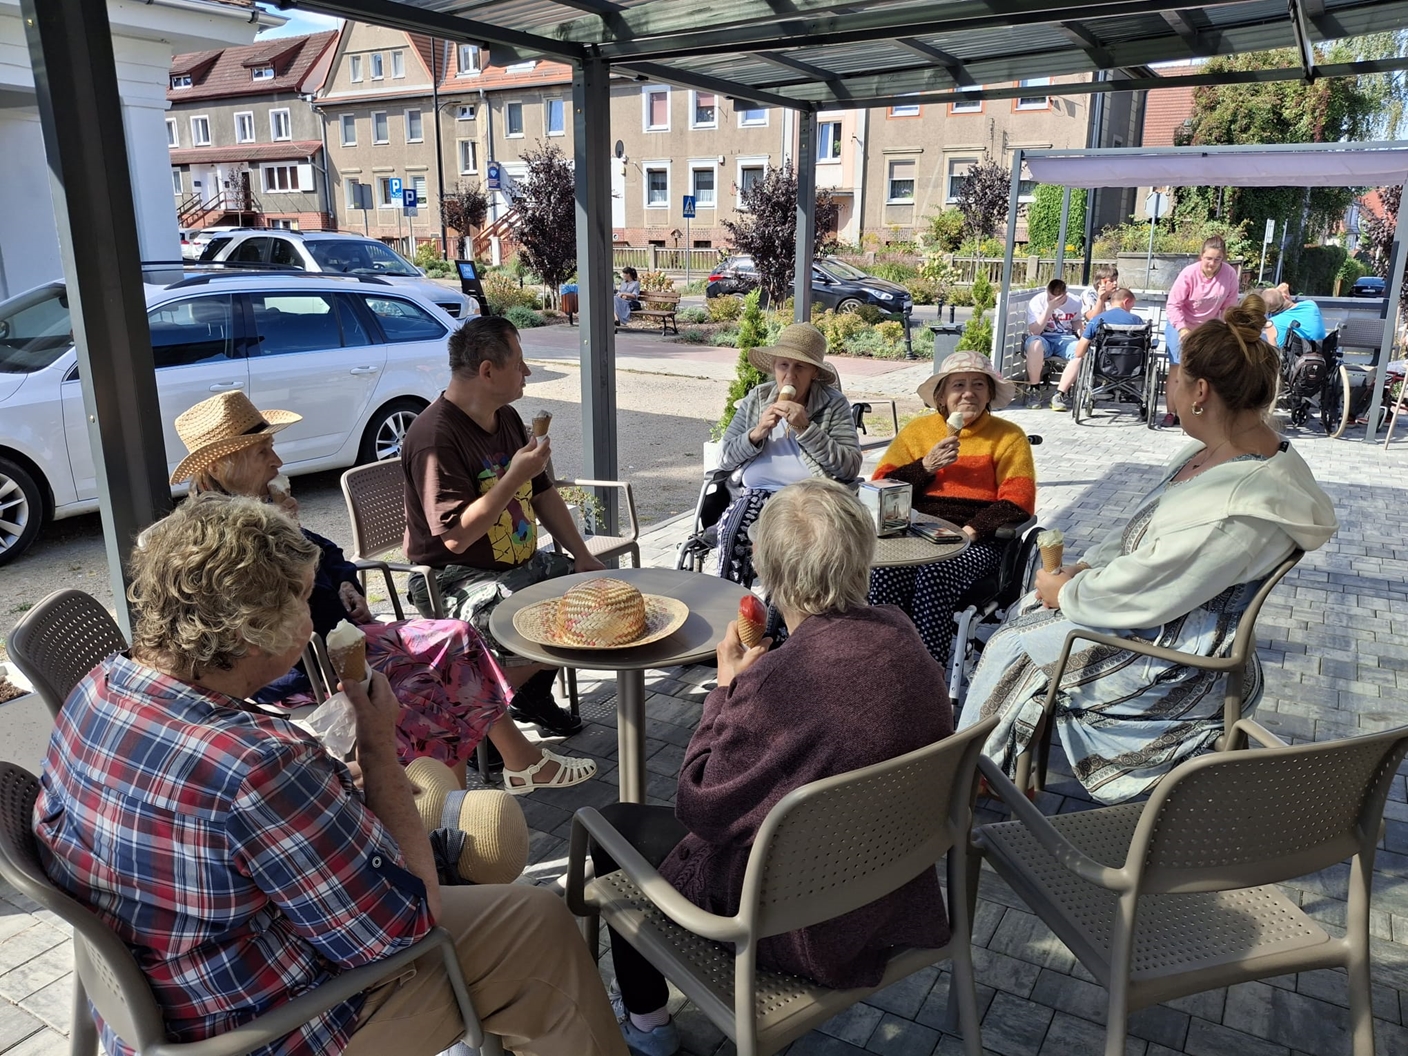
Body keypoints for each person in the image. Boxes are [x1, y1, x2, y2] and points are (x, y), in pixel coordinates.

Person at [34, 494, 628, 1056]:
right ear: (250, 628)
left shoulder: (98, 687)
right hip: (266, 1026)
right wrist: (377, 745)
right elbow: (405, 924)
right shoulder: (259, 765)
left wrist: (325, 785)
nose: (311, 615)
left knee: (453, 822)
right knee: (539, 923)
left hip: (168, 988)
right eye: (299, 600)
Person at [588, 479, 954, 1056]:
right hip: (888, 890)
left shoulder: (775, 681)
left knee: (613, 824)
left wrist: (726, 691)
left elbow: (702, 805)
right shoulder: (902, 635)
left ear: (766, 567)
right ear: (864, 554)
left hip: (798, 920)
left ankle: (648, 1025)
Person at [959, 295, 1337, 804]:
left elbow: (1155, 587)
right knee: (1028, 613)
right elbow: (1140, 535)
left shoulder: (1240, 507)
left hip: (1179, 661)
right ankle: (993, 765)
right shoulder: (1209, 453)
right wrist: (1082, 569)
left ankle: (964, 781)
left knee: (1017, 646)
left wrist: (1069, 594)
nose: (1168, 386)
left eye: (1175, 377)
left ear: (1200, 391)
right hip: (1157, 621)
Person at [171, 391, 596, 795]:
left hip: (344, 638)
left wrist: (346, 584)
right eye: (263, 451)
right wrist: (288, 539)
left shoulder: (260, 502)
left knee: (456, 638)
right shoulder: (216, 534)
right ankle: (465, 794)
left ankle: (500, 774)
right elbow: (279, 609)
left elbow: (331, 554)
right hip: (303, 664)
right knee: (425, 685)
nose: (277, 461)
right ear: (223, 464)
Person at [402, 316, 605, 738]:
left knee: (596, 601)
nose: (527, 372)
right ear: (487, 370)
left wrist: (582, 556)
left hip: (517, 567)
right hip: (453, 577)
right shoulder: (435, 437)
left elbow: (543, 494)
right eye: (519, 363)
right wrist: (513, 476)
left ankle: (528, 697)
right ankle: (477, 724)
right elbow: (456, 538)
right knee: (545, 624)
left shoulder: (507, 418)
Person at [868, 351, 1036, 670]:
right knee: (887, 569)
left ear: (989, 393)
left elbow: (1019, 500)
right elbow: (881, 485)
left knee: (935, 572)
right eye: (958, 385)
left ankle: (926, 670)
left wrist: (970, 532)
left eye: (978, 384)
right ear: (941, 396)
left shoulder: (1008, 436)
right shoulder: (918, 431)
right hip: (917, 530)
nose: (968, 393)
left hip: (978, 538)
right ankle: (882, 661)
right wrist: (925, 467)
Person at [714, 321, 862, 585]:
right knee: (733, 531)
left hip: (812, 495)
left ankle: (783, 608)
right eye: (783, 365)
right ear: (774, 367)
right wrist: (756, 433)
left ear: (814, 373)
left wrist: (806, 429)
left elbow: (850, 467)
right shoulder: (758, 397)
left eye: (800, 367)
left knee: (795, 551)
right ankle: (731, 600)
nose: (790, 376)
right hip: (757, 492)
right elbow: (724, 457)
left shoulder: (833, 403)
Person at [1163, 235, 1240, 425]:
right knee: (1178, 368)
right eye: (1208, 258)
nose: (1212, 264)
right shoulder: (1189, 274)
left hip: (1207, 327)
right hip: (1181, 323)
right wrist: (1182, 329)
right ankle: (1172, 412)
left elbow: (1229, 307)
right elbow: (1173, 304)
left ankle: (1199, 411)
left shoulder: (1229, 274)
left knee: (1207, 371)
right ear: (1201, 256)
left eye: (1217, 259)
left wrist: (1227, 329)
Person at [1050, 287, 1142, 412]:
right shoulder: (1136, 320)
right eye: (1131, 306)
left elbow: (1079, 351)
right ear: (1126, 302)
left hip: (1103, 365)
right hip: (1131, 366)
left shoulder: (1097, 320)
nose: (1131, 309)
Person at [1024, 278, 1081, 402]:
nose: (1054, 301)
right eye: (1050, 298)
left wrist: (1080, 333)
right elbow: (1035, 331)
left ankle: (1060, 394)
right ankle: (1034, 389)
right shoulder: (1037, 301)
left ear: (1065, 294)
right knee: (1034, 345)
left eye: (1058, 299)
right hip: (1043, 337)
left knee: (1080, 350)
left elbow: (1076, 320)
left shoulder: (1075, 301)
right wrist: (1049, 308)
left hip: (1066, 338)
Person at [1261, 284, 1327, 346]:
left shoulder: (1271, 324)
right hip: (1321, 352)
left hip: (1292, 354)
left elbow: (1273, 350)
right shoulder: (1311, 305)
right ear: (1285, 297)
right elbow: (1291, 306)